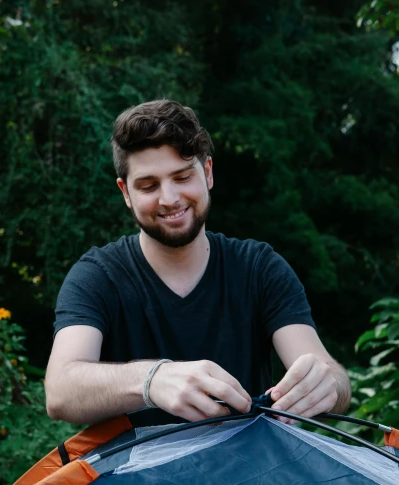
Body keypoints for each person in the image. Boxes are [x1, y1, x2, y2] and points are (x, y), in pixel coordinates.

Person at [45, 99, 351, 426]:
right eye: (149, 185)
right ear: (126, 194)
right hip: (132, 476)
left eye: (182, 177)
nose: (170, 198)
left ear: (207, 173)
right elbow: (61, 392)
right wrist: (152, 380)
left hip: (247, 472)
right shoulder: (97, 276)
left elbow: (337, 382)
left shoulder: (259, 268)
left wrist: (327, 384)